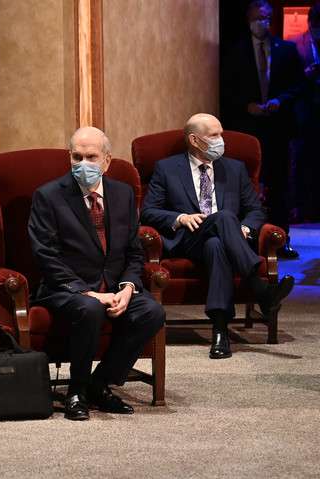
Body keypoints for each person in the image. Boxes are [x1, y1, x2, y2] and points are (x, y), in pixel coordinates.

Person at [28, 126, 165, 421]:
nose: (83, 164)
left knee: (151, 311)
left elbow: (133, 252)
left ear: (107, 161)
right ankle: (75, 391)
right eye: (77, 157)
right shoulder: (49, 196)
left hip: (115, 286)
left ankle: (99, 384)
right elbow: (45, 255)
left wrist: (128, 288)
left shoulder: (123, 194)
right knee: (90, 308)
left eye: (91, 157)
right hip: (65, 289)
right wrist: (88, 292)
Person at [140, 113, 295, 359]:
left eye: (221, 133)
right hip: (187, 239)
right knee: (223, 218)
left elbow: (255, 209)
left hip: (225, 241)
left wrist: (243, 228)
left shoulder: (234, 169)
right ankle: (258, 286)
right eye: (214, 135)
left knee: (216, 244)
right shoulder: (167, 168)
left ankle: (220, 331)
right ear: (194, 140)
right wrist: (180, 218)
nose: (222, 140)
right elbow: (148, 211)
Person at [221, 0, 304, 258]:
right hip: (247, 129)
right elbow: (226, 90)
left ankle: (282, 239)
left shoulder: (287, 50)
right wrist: (247, 107)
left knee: (280, 185)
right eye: (258, 18)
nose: (263, 23)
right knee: (246, 186)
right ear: (249, 20)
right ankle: (249, 240)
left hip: (278, 128)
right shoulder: (235, 51)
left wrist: (280, 101)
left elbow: (300, 85)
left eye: (267, 18)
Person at [288, 3, 320, 222]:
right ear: (310, 23)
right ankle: (300, 208)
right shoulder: (294, 44)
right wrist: (306, 74)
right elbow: (286, 81)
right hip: (302, 113)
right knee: (300, 161)